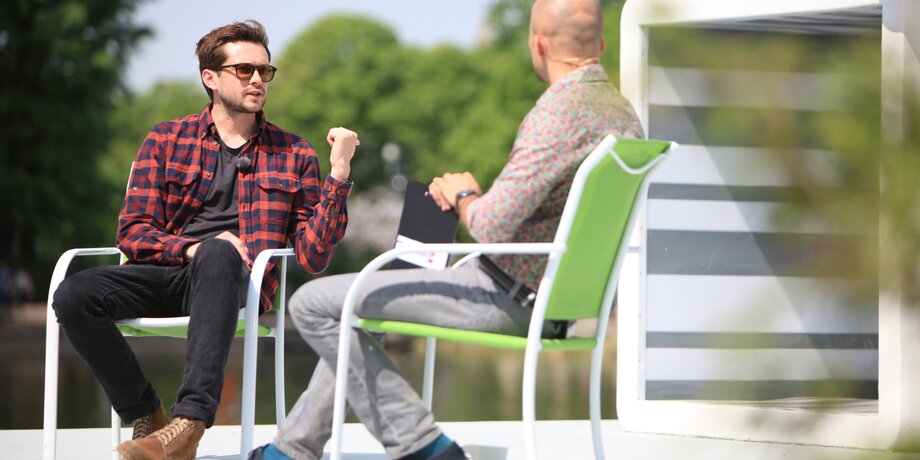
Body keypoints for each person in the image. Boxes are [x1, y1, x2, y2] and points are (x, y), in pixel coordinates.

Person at [250, 0, 644, 459]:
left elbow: (489, 225)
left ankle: (423, 445)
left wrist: (463, 194)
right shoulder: (623, 116)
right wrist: (471, 197)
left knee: (312, 303)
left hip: (506, 296)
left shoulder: (558, 113)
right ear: (600, 44)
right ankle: (291, 451)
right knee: (359, 306)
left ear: (538, 43)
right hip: (556, 300)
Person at [51, 20, 359, 460]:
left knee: (218, 252)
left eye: (265, 71)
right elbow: (132, 232)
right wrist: (190, 248)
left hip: (236, 284)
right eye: (244, 70)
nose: (257, 79)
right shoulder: (165, 139)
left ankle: (189, 424)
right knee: (73, 295)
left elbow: (313, 257)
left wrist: (339, 176)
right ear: (210, 77)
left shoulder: (295, 153)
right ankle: (148, 414)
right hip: (164, 275)